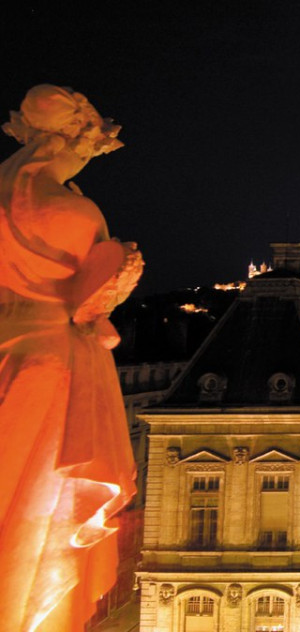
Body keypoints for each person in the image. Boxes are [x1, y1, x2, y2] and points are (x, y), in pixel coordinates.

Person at [0, 85, 143, 631]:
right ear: (76, 139)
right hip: (53, 363)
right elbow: (89, 306)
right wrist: (118, 280)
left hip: (9, 351)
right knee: (39, 515)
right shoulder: (74, 212)